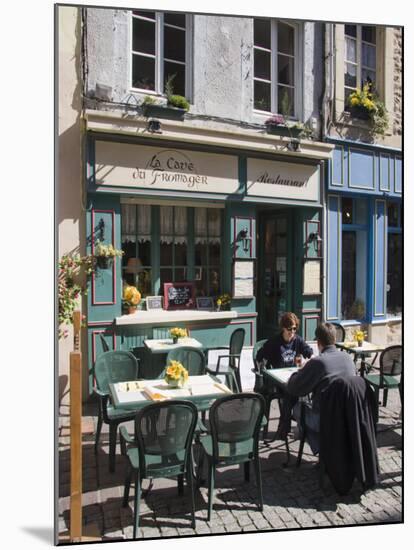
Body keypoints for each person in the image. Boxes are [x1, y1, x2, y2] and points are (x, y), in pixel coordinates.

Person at [287, 322, 356, 451]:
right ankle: (329, 449)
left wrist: (300, 371)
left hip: (324, 419)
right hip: (347, 416)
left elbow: (294, 388)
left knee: (297, 408)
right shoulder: (348, 359)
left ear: (318, 342)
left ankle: (322, 448)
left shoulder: (318, 362)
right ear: (335, 339)